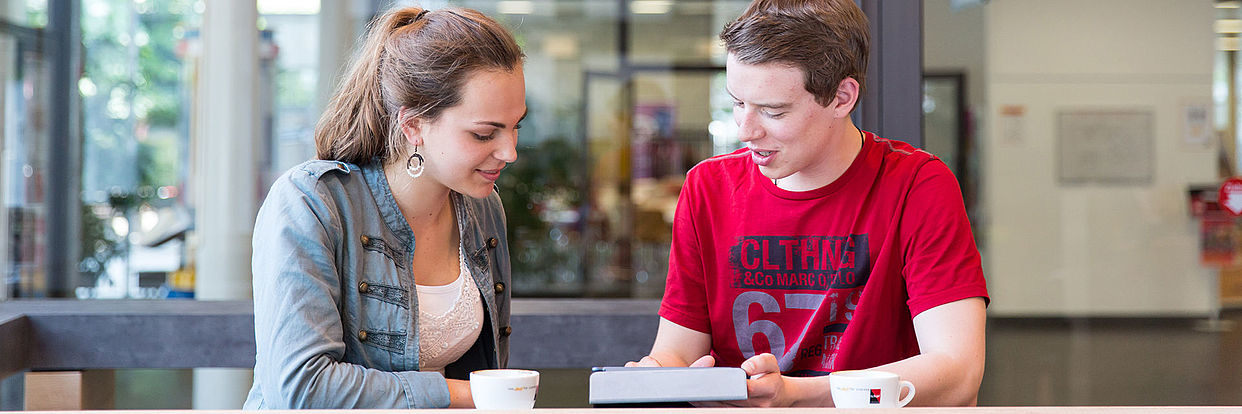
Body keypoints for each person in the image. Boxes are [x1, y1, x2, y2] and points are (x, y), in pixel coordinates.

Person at [627, 0, 989, 407]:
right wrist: (657, 374)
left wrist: (797, 395)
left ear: (841, 97)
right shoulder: (707, 187)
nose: (745, 130)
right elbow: (678, 351)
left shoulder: (917, 184)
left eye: (773, 111)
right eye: (738, 102)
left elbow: (958, 372)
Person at [244, 6, 525, 409]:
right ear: (412, 125)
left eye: (517, 126)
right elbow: (302, 388)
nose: (509, 151)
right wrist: (459, 395)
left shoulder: (482, 208)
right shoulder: (311, 202)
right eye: (484, 134)